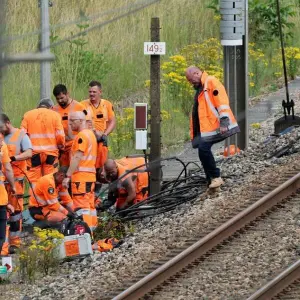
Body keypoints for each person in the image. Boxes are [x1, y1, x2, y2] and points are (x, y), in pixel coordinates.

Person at [185, 66, 240, 189]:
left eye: (190, 79)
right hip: (208, 128)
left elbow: (221, 102)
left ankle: (216, 177)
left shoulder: (210, 81)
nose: (190, 82)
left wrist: (224, 122)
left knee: (204, 149)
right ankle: (210, 180)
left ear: (196, 73)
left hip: (217, 126)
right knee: (202, 150)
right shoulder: (201, 87)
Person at [0, 113, 32, 253]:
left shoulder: (21, 135)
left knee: (16, 214)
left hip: (16, 181)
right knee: (4, 213)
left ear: (7, 122)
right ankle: (4, 245)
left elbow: (29, 153)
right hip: (3, 182)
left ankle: (14, 243)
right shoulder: (1, 138)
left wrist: (14, 158)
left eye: (1, 126)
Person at [62, 111, 97, 233]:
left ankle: (85, 235)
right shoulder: (91, 135)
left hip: (80, 178)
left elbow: (77, 157)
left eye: (72, 121)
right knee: (90, 207)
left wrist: (67, 176)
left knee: (82, 208)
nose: (69, 124)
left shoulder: (81, 136)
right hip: (90, 177)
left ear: (81, 121)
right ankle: (92, 233)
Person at [21, 98, 65, 190]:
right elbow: (60, 135)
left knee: (34, 181)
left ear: (38, 107)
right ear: (51, 107)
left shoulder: (28, 115)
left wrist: (25, 150)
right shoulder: (55, 115)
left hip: (33, 154)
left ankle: (35, 202)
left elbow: (22, 135)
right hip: (51, 154)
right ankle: (49, 200)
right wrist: (61, 146)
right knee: (50, 179)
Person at [81, 81, 116, 172]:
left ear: (100, 92)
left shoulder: (107, 104)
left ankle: (101, 180)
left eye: (94, 92)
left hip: (102, 139)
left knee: (102, 165)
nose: (91, 94)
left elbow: (112, 121)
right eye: (90, 92)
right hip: (88, 139)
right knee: (88, 164)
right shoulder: (82, 105)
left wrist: (105, 134)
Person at [52, 84, 86, 167]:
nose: (60, 101)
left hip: (74, 145)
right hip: (61, 147)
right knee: (63, 171)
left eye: (62, 98)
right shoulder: (53, 110)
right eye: (57, 99)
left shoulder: (79, 107)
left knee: (74, 169)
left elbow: (86, 126)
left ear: (67, 94)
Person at [0, 134, 16, 256]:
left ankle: (2, 270)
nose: (2, 145)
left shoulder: (2, 148)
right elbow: (8, 169)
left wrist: (7, 203)